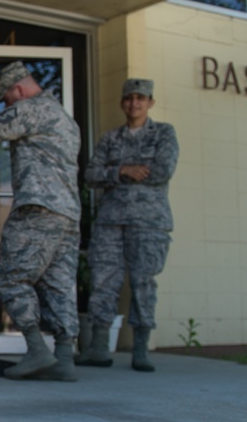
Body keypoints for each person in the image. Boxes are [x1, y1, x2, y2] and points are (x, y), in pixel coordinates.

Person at [0, 61, 82, 382]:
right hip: (68, 213)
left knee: (11, 277)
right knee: (58, 284)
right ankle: (63, 358)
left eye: (6, 99)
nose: (5, 105)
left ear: (19, 89)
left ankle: (36, 350)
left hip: (38, 207)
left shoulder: (34, 108)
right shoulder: (64, 118)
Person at [76, 78, 178, 372]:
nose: (134, 103)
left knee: (143, 282)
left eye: (140, 98)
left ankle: (141, 348)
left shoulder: (163, 134)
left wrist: (115, 174)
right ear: (122, 103)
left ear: (150, 103)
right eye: (129, 98)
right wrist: (123, 170)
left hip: (148, 223)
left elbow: (162, 170)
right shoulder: (110, 139)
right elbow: (92, 174)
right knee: (103, 281)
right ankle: (98, 348)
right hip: (110, 222)